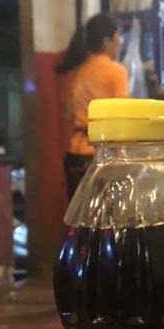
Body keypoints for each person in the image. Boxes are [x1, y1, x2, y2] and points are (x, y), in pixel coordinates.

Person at [56, 13, 127, 199]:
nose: (122, 41)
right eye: (119, 35)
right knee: (107, 215)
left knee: (79, 215)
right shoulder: (116, 72)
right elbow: (120, 118)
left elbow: (68, 114)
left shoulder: (79, 72)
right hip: (102, 157)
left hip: (75, 156)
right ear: (106, 41)